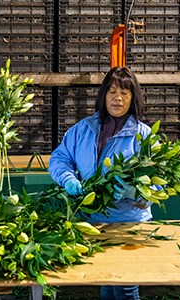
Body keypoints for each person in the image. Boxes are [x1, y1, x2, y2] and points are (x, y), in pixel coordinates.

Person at [49, 66, 152, 300]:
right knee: (105, 280)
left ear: (133, 98)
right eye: (112, 91)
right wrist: (67, 178)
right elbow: (60, 158)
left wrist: (136, 191)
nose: (118, 97)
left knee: (125, 287)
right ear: (103, 95)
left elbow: (159, 182)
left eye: (125, 93)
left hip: (128, 223)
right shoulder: (83, 129)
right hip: (93, 222)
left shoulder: (143, 135)